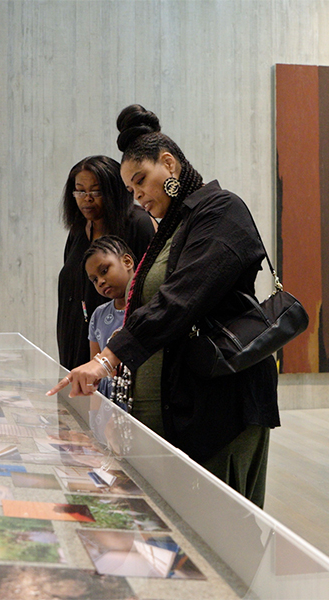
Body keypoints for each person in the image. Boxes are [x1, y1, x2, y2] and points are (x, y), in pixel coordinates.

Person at [49, 105, 280, 508]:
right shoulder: (172, 227)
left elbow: (182, 298)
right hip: (180, 413)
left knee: (222, 530)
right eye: (130, 188)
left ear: (168, 164)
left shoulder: (222, 211)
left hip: (221, 409)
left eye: (140, 181)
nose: (137, 195)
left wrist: (107, 359)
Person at [56, 155, 155, 370]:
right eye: (80, 191)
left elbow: (151, 289)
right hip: (74, 336)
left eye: (96, 191)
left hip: (115, 342)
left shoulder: (138, 224)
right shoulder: (78, 231)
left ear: (114, 191)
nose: (87, 198)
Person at [84, 235, 136, 398]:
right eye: (94, 279)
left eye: (104, 270)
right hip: (108, 398)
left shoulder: (147, 308)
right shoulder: (99, 315)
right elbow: (94, 369)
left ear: (127, 262)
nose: (100, 282)